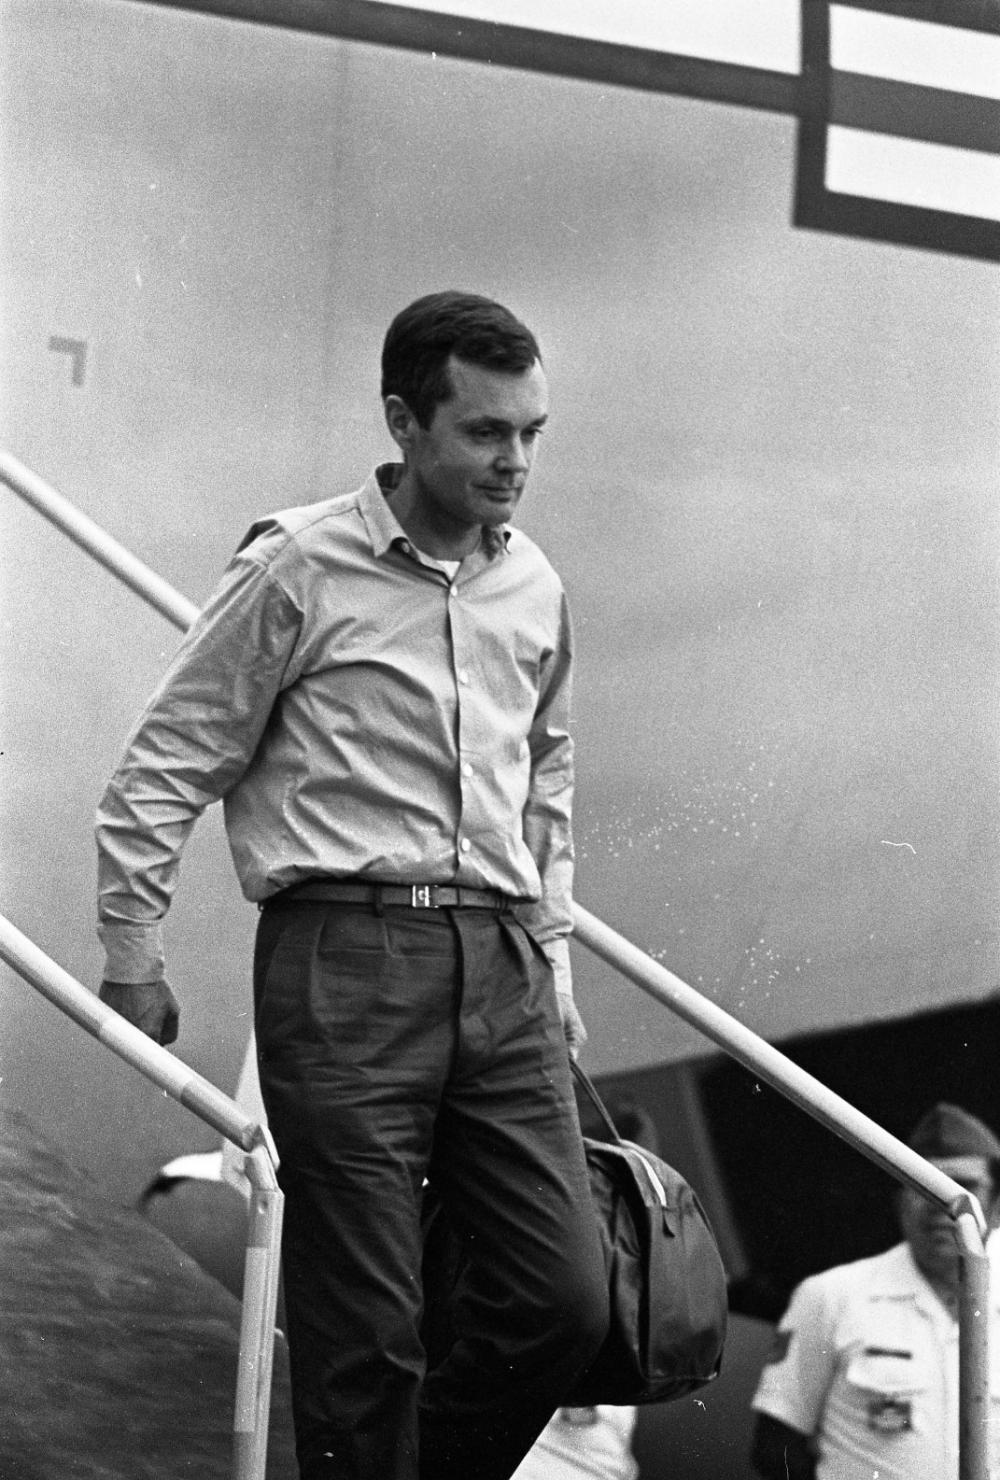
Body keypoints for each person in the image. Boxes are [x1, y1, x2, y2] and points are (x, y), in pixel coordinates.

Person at [95, 291, 610, 1480]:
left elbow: (549, 778)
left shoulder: (532, 585)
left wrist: (558, 963)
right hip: (344, 966)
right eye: (485, 432)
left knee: (564, 1299)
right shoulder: (297, 566)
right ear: (403, 420)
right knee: (365, 1333)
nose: (515, 461)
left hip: (506, 972)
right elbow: (167, 760)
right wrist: (134, 955)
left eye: (531, 432)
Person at [749, 1101, 1000, 1480]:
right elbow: (774, 1448)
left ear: (996, 1205)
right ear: (899, 1202)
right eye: (923, 1188)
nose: (943, 1207)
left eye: (964, 1188)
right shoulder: (832, 1296)